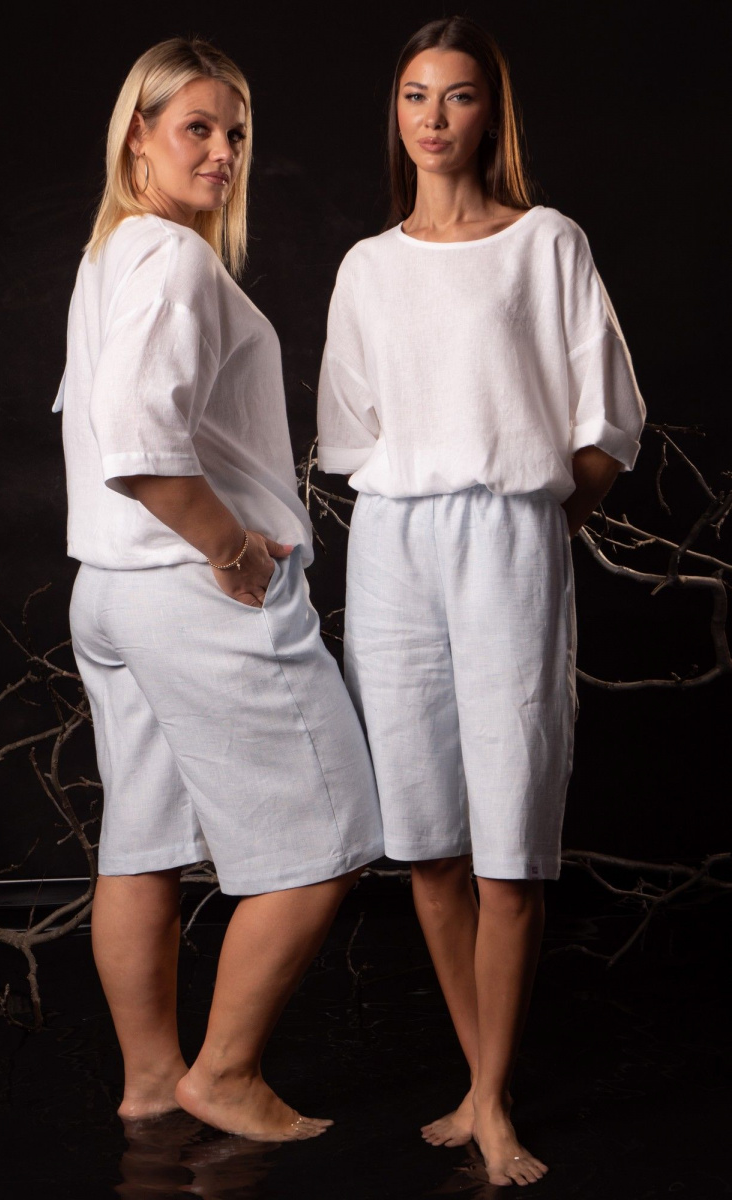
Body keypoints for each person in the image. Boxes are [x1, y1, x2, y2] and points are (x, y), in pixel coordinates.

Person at [317, 15, 645, 1187]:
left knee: (508, 840)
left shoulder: (544, 241)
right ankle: (477, 1082)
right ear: (395, 112)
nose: (433, 117)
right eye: (414, 95)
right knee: (425, 841)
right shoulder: (366, 266)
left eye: (456, 95)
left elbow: (607, 419)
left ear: (488, 113)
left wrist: (541, 524)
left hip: (508, 534)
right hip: (393, 545)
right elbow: (348, 433)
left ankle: (493, 1100)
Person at [54, 36, 383, 1142]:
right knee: (334, 831)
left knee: (143, 842)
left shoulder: (111, 259)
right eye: (196, 127)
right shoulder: (172, 261)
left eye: (235, 132)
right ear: (136, 139)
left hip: (111, 593)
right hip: (194, 593)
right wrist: (234, 550)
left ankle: (153, 1082)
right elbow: (138, 446)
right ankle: (225, 1074)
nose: (222, 151)